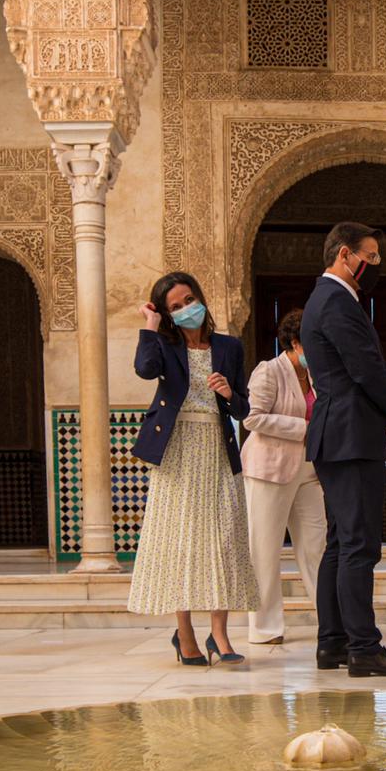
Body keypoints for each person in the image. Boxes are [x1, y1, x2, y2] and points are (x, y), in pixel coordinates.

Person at [300, 222, 386, 678]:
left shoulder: (328, 299)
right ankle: (364, 648)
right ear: (345, 255)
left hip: (340, 433)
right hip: (350, 436)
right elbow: (365, 368)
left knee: (340, 543)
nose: (375, 266)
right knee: (358, 545)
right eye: (369, 257)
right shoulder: (335, 300)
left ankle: (332, 643)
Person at [128, 271, 258, 665]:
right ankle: (184, 634)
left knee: (224, 538)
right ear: (168, 315)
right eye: (176, 307)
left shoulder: (229, 347)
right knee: (179, 540)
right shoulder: (164, 346)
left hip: (218, 451)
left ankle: (220, 634)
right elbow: (145, 370)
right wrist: (150, 326)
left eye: (189, 300)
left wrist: (228, 393)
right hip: (176, 451)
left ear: (200, 297)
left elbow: (244, 408)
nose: (187, 309)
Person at [241, 309, 326, 645]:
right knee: (263, 550)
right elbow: (252, 418)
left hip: (308, 471)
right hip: (269, 471)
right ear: (295, 342)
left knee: (317, 547)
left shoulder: (318, 375)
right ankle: (265, 628)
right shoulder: (269, 372)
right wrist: (305, 429)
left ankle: (331, 621)